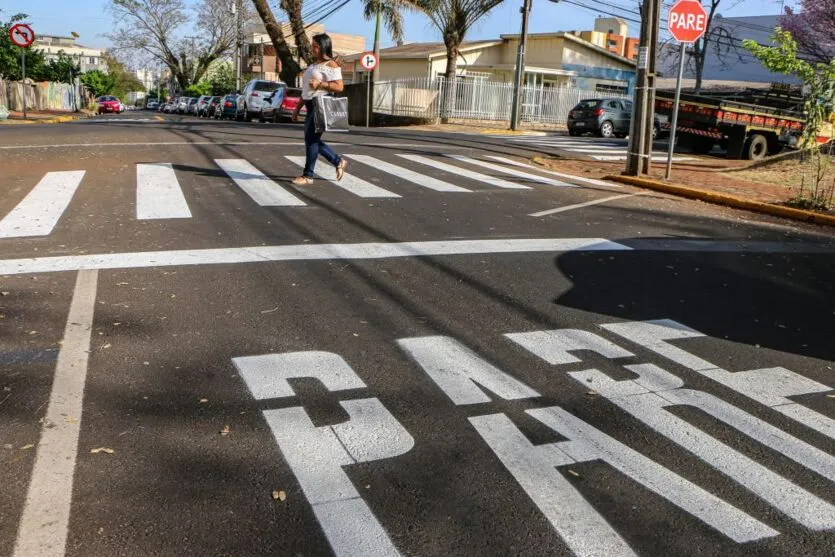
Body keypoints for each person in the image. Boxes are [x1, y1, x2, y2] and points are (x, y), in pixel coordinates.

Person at [292, 33, 347, 186]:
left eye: (315, 46)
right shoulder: (313, 65)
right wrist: (297, 109)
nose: (313, 48)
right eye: (312, 45)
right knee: (312, 140)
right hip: (310, 105)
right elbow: (306, 91)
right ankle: (338, 161)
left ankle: (308, 175)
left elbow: (339, 86)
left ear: (324, 46)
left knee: (311, 141)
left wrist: (320, 84)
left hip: (321, 105)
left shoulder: (331, 65)